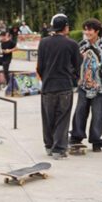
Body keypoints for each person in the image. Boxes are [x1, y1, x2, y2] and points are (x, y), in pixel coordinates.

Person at [36, 14, 80, 159]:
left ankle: (48, 146)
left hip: (48, 86)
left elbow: (40, 66)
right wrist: (74, 78)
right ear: (66, 27)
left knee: (48, 117)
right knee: (62, 117)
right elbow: (77, 66)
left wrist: (46, 78)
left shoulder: (43, 43)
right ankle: (59, 149)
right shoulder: (72, 44)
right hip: (64, 86)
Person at [71, 19, 102, 152]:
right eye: (85, 29)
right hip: (84, 85)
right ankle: (76, 137)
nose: (87, 32)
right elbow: (75, 63)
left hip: (100, 86)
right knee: (80, 111)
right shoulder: (82, 45)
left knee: (98, 114)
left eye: (90, 29)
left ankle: (96, 140)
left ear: (97, 31)